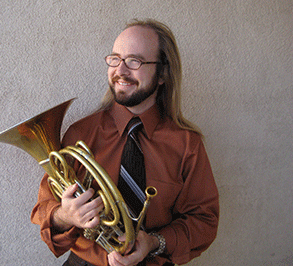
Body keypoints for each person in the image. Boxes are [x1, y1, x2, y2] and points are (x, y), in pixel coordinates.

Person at [31, 19, 219, 266]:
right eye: (115, 58)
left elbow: (204, 221)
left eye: (135, 61)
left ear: (162, 73)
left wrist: (154, 242)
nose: (121, 70)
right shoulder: (81, 134)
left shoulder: (186, 145)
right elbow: (43, 210)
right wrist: (65, 216)